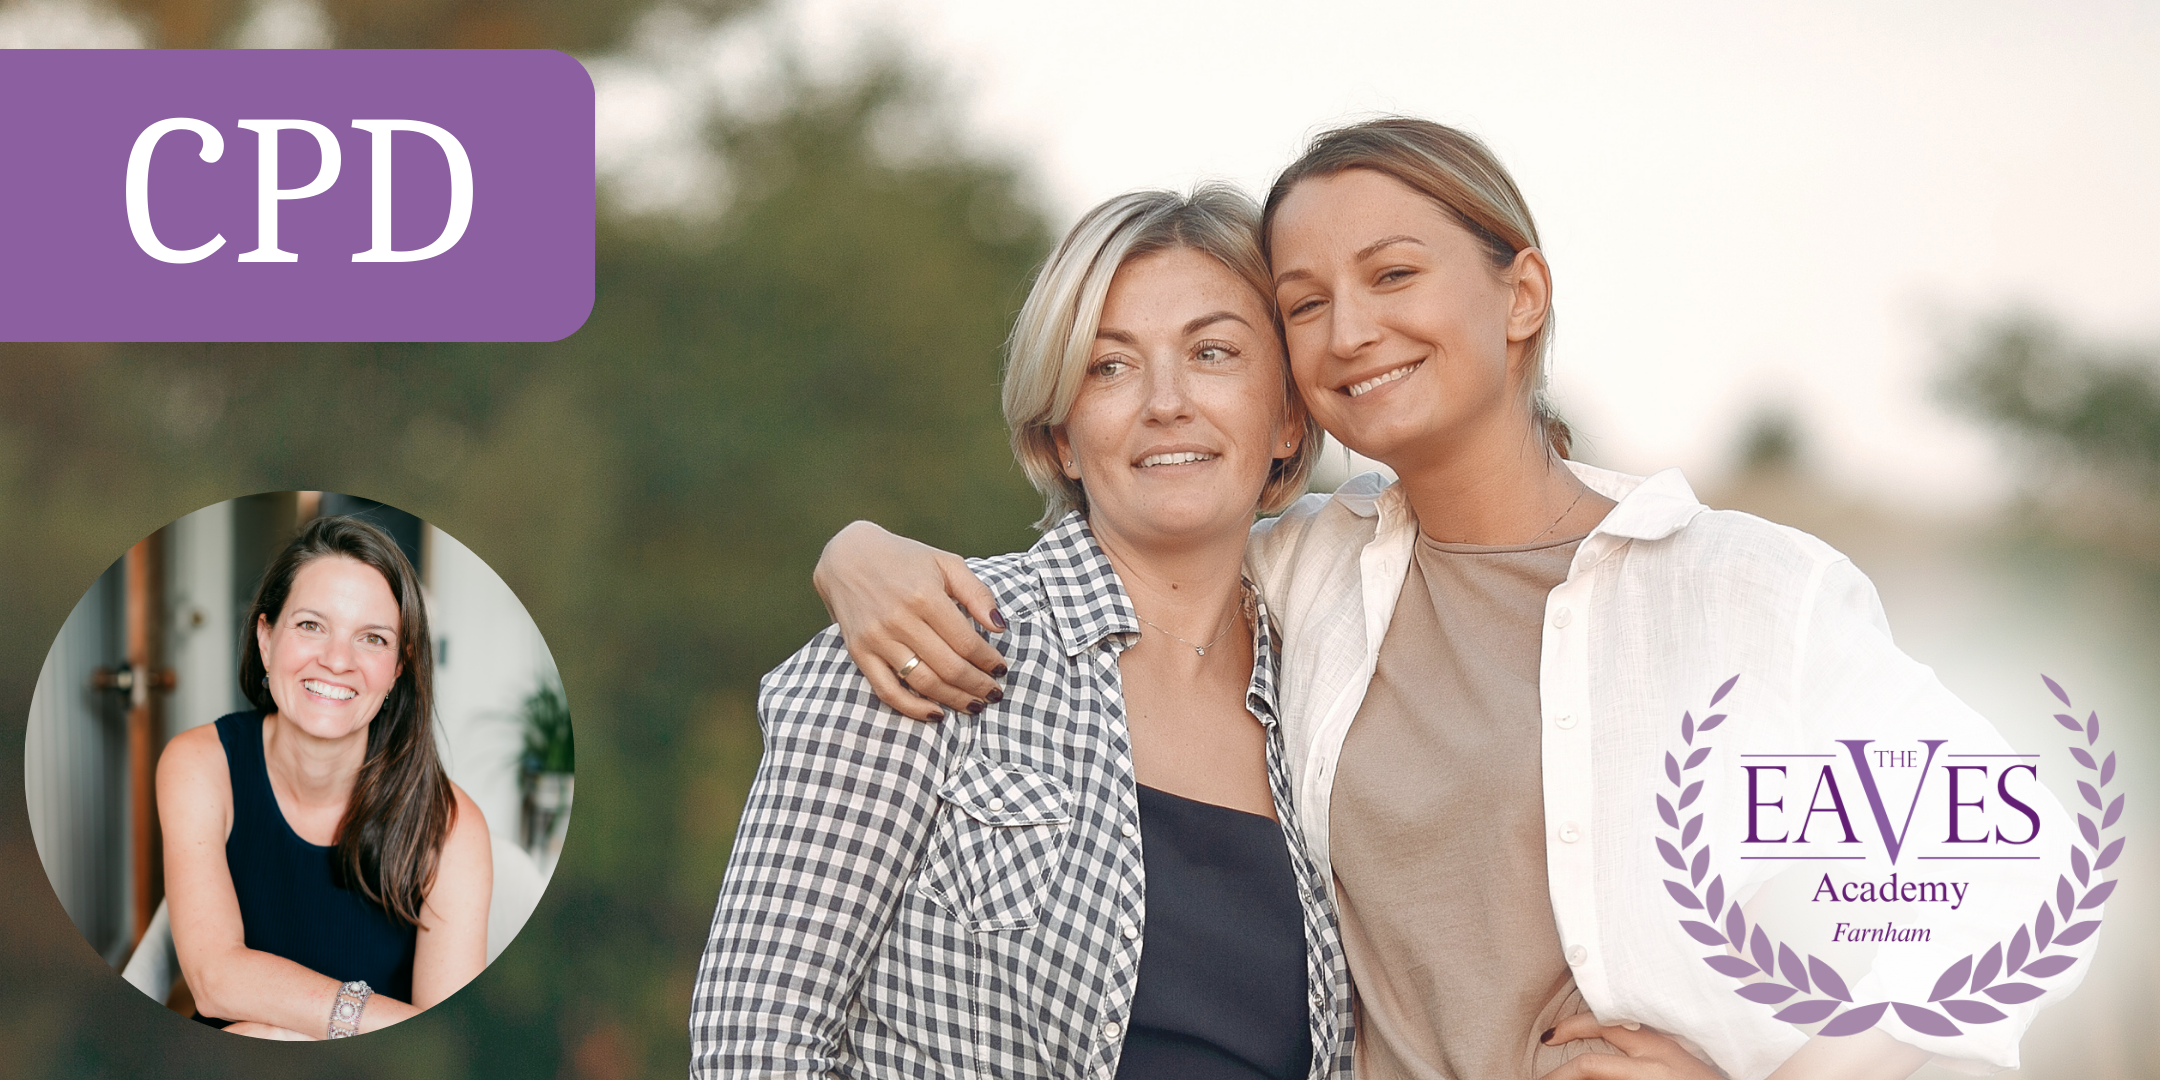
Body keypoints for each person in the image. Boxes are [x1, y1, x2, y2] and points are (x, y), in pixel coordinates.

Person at [811, 118, 2082, 1080]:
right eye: (1304, 305)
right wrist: (860, 550)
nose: (1349, 329)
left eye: (1394, 276)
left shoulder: (1749, 594)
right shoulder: (1297, 575)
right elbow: (1109, 561)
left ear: (1519, 296)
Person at [691, 187, 1352, 1080]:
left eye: (1214, 353)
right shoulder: (929, 641)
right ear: (1062, 437)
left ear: (1285, 419)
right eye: (1110, 367)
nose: (1166, 402)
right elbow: (754, 1042)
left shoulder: (1334, 686)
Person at [159, 515, 492, 1040]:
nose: (338, 660)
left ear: (399, 667)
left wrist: (277, 1030)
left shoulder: (451, 826)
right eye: (311, 625)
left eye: (373, 639)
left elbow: (443, 1045)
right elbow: (214, 982)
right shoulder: (199, 765)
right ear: (266, 639)